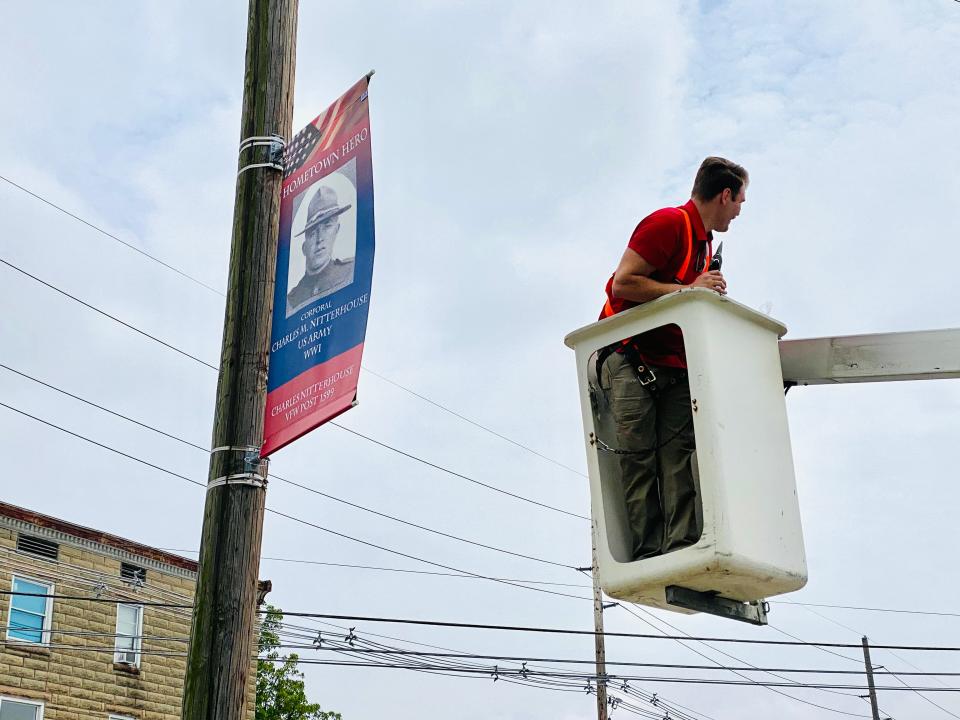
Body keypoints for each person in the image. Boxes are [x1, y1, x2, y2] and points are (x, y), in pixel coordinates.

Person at [598, 156, 748, 560]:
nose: (738, 212)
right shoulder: (667, 224)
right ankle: (647, 555)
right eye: (739, 202)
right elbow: (623, 284)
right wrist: (687, 291)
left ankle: (680, 548)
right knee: (640, 459)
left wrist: (699, 296)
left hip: (672, 364)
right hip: (632, 357)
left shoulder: (703, 244)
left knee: (678, 458)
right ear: (725, 194)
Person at [287, 185, 355, 314]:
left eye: (327, 226)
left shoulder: (350, 271)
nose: (320, 239)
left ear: (337, 230)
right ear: (304, 248)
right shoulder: (291, 299)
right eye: (312, 233)